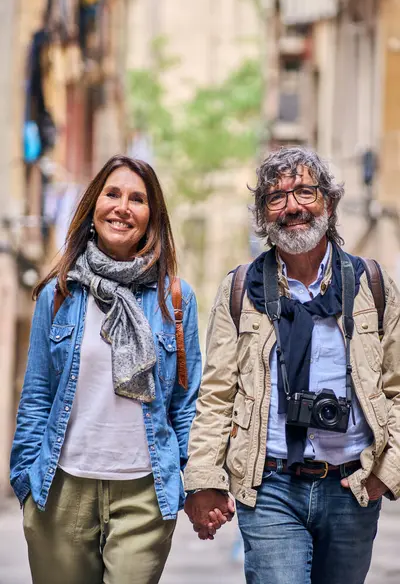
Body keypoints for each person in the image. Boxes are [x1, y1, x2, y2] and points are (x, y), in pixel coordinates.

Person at [184, 146, 400, 584]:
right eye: (276, 198)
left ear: (330, 203)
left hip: (352, 486)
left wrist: (386, 471)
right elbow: (216, 394)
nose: (292, 207)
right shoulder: (240, 289)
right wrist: (204, 478)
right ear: (263, 216)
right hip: (270, 486)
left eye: (305, 191)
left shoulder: (371, 286)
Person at [10, 155, 202, 584]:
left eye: (137, 199)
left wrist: (187, 479)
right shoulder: (58, 294)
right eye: (112, 193)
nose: (122, 206)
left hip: (143, 492)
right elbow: (37, 394)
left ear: (151, 218)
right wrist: (24, 479)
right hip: (60, 490)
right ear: (92, 207)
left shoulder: (175, 299)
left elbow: (186, 404)